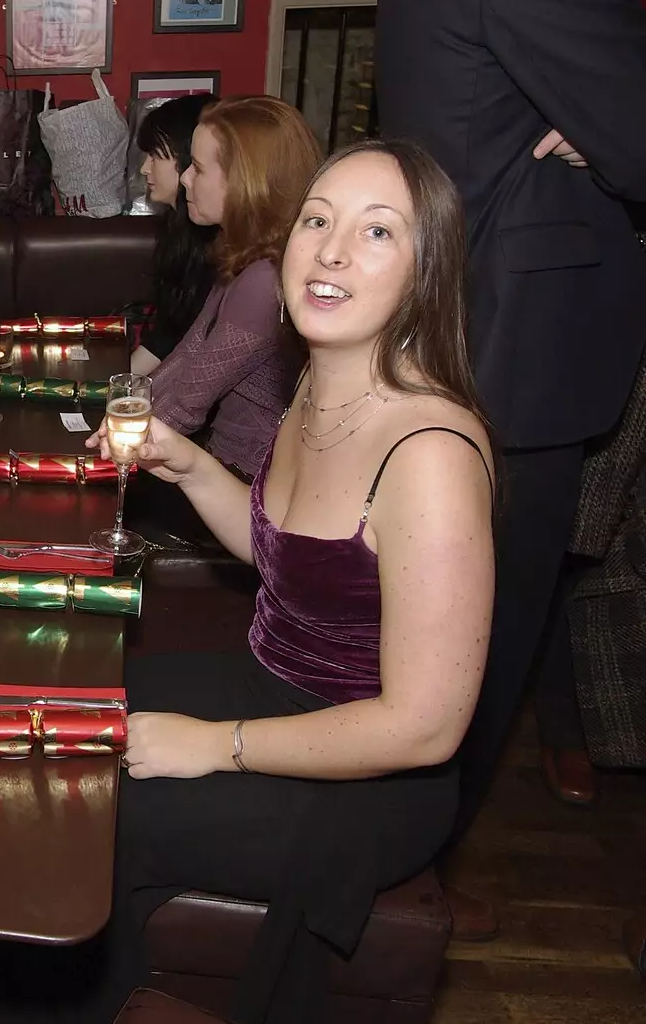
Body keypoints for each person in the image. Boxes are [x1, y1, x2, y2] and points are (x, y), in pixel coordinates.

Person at [67, 140, 495, 1021]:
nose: (331, 250)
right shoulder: (318, 385)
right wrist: (184, 464)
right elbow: (284, 559)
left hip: (371, 774)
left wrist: (213, 743)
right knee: (71, 701)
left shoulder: (431, 454)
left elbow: (426, 727)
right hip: (278, 683)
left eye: (377, 231)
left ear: (427, 272)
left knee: (93, 816)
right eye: (316, 220)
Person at [377, 0, 646, 936]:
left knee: (451, 644)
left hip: (475, 338)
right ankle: (396, 884)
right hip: (510, 357)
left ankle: (402, 877)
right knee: (476, 656)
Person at [146, 96, 321, 477]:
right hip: (222, 467)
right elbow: (186, 356)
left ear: (245, 182)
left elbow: (187, 406)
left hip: (249, 487)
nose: (186, 178)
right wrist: (122, 407)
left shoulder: (264, 278)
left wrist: (111, 452)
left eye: (197, 167)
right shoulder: (245, 256)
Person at [128, 94, 219, 376]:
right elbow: (167, 336)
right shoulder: (178, 232)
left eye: (155, 155)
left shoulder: (215, 246)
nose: (144, 168)